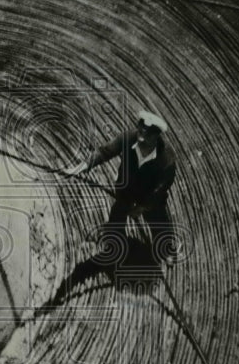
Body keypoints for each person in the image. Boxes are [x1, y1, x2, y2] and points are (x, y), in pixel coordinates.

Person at [67, 110, 178, 266]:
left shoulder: (167, 160)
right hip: (126, 188)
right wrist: (84, 166)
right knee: (117, 215)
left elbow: (159, 190)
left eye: (145, 136)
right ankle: (115, 243)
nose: (140, 138)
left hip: (150, 197)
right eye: (139, 131)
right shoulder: (129, 137)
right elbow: (104, 151)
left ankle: (166, 250)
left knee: (159, 221)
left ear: (155, 136)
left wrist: (141, 208)